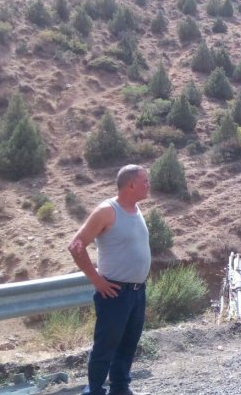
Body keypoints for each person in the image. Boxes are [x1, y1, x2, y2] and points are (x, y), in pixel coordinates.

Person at [67, 165, 151, 395]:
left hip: (136, 291)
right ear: (131, 184)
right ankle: (94, 390)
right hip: (115, 293)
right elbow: (76, 246)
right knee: (106, 347)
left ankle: (120, 388)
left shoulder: (135, 209)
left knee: (128, 344)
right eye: (145, 180)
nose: (149, 185)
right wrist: (97, 280)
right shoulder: (107, 211)